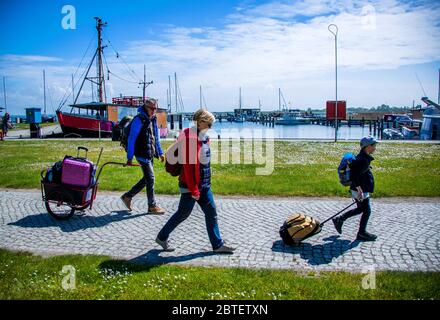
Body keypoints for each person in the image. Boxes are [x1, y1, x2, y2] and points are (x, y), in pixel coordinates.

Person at [155, 109, 235, 253]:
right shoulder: (190, 138)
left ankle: (217, 245)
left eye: (211, 124)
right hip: (191, 186)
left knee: (211, 212)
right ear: (199, 122)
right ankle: (162, 236)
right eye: (208, 123)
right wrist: (194, 190)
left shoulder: (202, 136)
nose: (210, 126)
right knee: (183, 213)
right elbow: (189, 168)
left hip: (204, 184)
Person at [120, 99, 166, 214]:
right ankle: (152, 206)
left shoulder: (153, 119)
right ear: (146, 107)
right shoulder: (138, 119)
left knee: (146, 179)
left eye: (156, 108)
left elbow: (156, 137)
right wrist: (130, 157)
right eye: (152, 109)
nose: (154, 111)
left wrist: (160, 152)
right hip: (141, 153)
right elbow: (131, 139)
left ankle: (127, 196)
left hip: (149, 152)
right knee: (150, 179)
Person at [333, 136, 378, 241]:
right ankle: (361, 233)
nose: (375, 148)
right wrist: (360, 190)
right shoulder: (363, 160)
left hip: (359, 188)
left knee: (361, 209)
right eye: (374, 145)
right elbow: (354, 175)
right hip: (359, 189)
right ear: (367, 147)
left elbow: (357, 172)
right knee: (366, 211)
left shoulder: (363, 157)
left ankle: (340, 219)